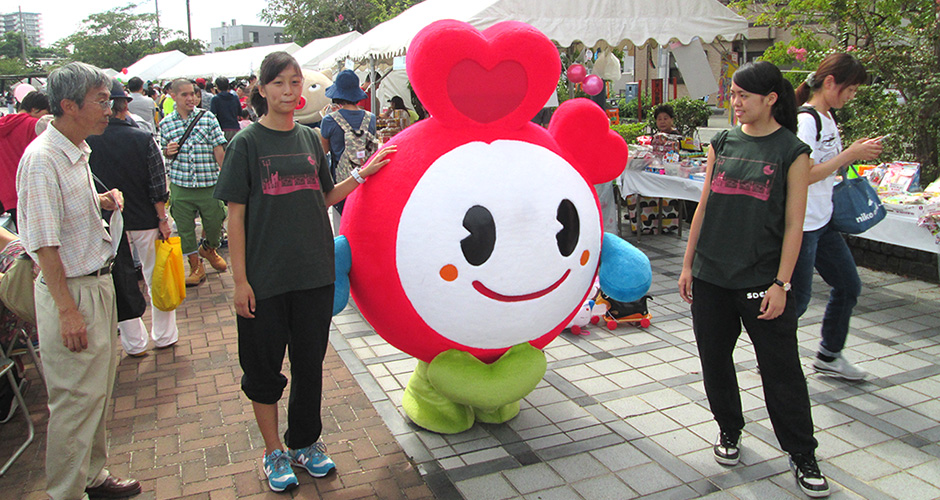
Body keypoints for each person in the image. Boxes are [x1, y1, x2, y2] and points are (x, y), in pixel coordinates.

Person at [214, 51, 394, 493]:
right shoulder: (247, 144)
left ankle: (304, 442)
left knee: (309, 365)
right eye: (279, 84)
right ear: (261, 89)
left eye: (296, 83)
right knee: (263, 369)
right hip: (265, 280)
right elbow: (234, 216)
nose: (290, 92)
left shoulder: (312, 139)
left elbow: (326, 196)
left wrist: (364, 175)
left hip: (313, 274)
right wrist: (240, 281)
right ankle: (273, 450)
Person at [678, 61, 829, 498]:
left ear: (771, 99)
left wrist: (781, 284)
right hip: (711, 277)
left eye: (744, 95)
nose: (736, 102)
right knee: (715, 361)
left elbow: (795, 225)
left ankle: (803, 454)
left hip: (762, 281)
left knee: (782, 372)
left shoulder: (792, 152)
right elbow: (703, 206)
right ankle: (729, 429)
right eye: (734, 94)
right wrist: (688, 266)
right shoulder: (722, 142)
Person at [16, 61, 141, 500]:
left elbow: (63, 218)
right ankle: (67, 491)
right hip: (72, 291)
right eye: (101, 101)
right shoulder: (44, 158)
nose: (110, 109)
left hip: (95, 284)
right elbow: (44, 245)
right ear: (69, 105)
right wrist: (67, 310)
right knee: (74, 400)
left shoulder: (76, 149)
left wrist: (101, 200)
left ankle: (93, 475)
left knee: (96, 393)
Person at [791, 53, 883, 381]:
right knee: (797, 302)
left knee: (848, 285)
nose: (852, 96)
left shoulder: (828, 118)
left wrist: (853, 158)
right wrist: (849, 155)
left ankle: (829, 356)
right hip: (801, 227)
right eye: (851, 89)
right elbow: (802, 175)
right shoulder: (806, 120)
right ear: (830, 83)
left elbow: (826, 169)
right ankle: (775, 354)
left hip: (823, 221)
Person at [88, 79, 176, 357]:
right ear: (124, 105)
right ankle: (164, 335)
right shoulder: (142, 138)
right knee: (157, 277)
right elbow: (156, 183)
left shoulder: (87, 142)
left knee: (121, 281)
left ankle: (134, 342)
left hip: (107, 220)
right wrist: (162, 217)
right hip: (146, 218)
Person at [160, 78, 228, 286]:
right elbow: (164, 153)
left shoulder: (208, 119)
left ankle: (209, 248)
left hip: (209, 183)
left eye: (193, 94)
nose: (191, 98)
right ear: (173, 96)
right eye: (185, 95)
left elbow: (219, 149)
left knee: (216, 221)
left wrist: (227, 177)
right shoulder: (166, 124)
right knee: (185, 228)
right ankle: (195, 266)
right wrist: (167, 151)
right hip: (181, 184)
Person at [319, 69, 377, 214]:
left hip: (341, 186)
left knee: (343, 227)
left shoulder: (330, 120)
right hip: (366, 179)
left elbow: (323, 151)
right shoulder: (371, 118)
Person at [1, 91, 49, 228]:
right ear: (34, 109)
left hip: (6, 194)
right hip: (30, 192)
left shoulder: (2, 124)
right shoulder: (34, 125)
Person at [210, 76, 242, 141]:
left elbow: (212, 115)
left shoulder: (215, 99)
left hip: (222, 129)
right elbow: (240, 113)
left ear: (217, 86)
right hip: (235, 128)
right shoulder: (235, 97)